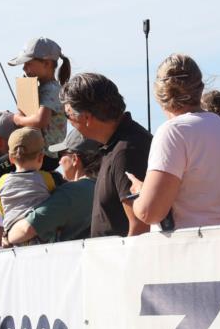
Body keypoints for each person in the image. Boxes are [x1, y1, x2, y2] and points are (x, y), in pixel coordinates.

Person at [126, 54, 220, 229]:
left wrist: (140, 192)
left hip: (192, 249)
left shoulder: (173, 132)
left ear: (159, 93)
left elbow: (150, 212)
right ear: (200, 88)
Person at [0, 129, 100, 246]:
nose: (59, 161)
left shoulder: (70, 194)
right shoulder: (98, 187)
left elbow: (24, 230)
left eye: (61, 154)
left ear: (75, 159)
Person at [60, 72, 152, 237]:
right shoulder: (118, 145)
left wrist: (126, 262)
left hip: (121, 260)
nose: (68, 121)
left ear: (86, 117)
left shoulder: (126, 151)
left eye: (68, 115)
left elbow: (140, 226)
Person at [8, 37, 72, 171]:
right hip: (43, 155)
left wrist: (17, 119)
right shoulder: (43, 88)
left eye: (28, 63)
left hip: (44, 156)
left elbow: (40, 120)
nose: (24, 68)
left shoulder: (51, 90)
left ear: (47, 64)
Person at [0, 128, 53, 242]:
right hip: (40, 240)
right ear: (41, 157)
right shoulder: (46, 178)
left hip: (12, 239)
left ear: (11, 159)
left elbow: (2, 210)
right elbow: (53, 204)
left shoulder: (2, 181)